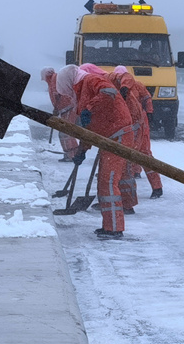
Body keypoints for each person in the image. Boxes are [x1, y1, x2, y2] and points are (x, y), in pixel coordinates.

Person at [58, 63, 138, 239]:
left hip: (118, 135)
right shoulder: (82, 91)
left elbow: (109, 92)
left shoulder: (90, 79)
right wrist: (82, 150)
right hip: (109, 138)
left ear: (69, 82)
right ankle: (109, 226)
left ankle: (115, 229)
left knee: (108, 182)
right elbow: (90, 127)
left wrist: (89, 108)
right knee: (104, 182)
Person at [111, 65, 163, 199]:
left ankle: (156, 187)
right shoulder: (117, 87)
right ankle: (135, 173)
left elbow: (146, 98)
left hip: (139, 124)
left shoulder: (135, 85)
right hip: (130, 124)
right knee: (133, 152)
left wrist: (149, 111)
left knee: (143, 153)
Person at [40, 66, 79, 161]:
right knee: (67, 132)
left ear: (46, 76)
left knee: (65, 132)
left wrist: (56, 109)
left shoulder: (54, 80)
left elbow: (58, 95)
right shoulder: (54, 79)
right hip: (66, 109)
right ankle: (73, 154)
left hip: (68, 109)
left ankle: (71, 155)